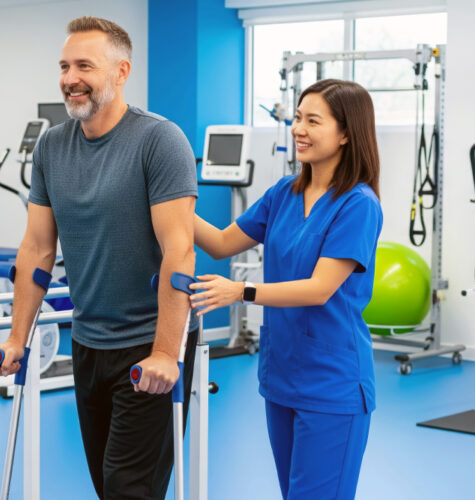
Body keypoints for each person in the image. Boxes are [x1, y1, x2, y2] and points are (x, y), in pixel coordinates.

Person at [0, 16, 198, 500]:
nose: (69, 78)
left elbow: (179, 251)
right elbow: (37, 248)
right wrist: (18, 338)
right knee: (107, 486)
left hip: (149, 342)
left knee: (129, 489)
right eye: (64, 66)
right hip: (88, 341)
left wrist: (167, 352)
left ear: (121, 72)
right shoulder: (52, 146)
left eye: (84, 65)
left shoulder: (159, 141)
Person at [190, 79, 383, 499]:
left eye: (313, 120)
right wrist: (168, 202)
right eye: (297, 117)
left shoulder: (358, 204)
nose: (298, 128)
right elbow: (222, 243)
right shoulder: (283, 193)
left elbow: (319, 289)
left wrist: (242, 291)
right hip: (281, 374)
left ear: (347, 133)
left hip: (332, 383)